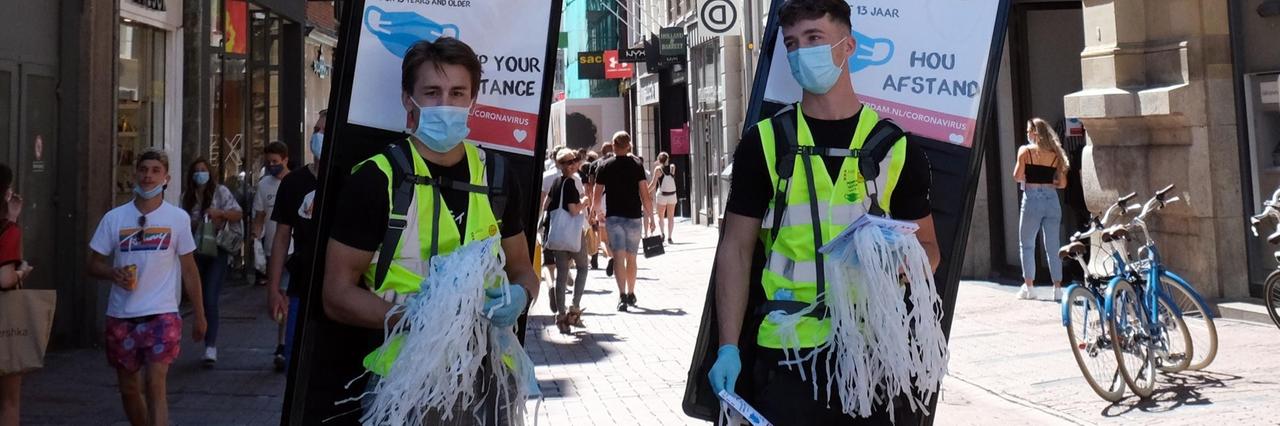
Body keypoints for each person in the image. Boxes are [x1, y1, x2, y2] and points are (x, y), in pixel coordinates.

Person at [705, 1, 940, 424]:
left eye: (814, 38)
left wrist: (907, 262)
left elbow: (929, 249)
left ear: (847, 46)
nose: (800, 53)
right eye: (792, 44)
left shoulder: (897, 148)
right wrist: (727, 346)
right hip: (786, 353)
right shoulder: (765, 143)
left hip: (872, 353)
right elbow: (736, 249)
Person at [322, 37, 537, 422]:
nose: (446, 105)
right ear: (409, 99)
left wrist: (521, 295)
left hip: (489, 380)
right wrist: (411, 315)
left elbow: (522, 268)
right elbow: (336, 294)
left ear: (474, 99)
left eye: (458, 93)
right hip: (405, 381)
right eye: (432, 93)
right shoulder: (376, 179)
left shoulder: (498, 175)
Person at [87, 148, 207, 426]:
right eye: (143, 170)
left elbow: (189, 269)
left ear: (166, 178)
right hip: (121, 315)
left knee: (155, 383)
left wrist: (200, 315)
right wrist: (111, 272)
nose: (148, 176)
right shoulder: (114, 218)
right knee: (129, 389)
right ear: (134, 174)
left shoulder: (177, 219)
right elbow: (92, 265)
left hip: (162, 313)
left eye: (155, 171)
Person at [269, 110, 326, 370]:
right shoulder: (293, 183)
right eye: (316, 130)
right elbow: (281, 238)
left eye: (325, 130)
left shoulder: (354, 178)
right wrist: (273, 289)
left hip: (342, 289)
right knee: (296, 362)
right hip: (301, 286)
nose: (319, 135)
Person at [181, 158, 243, 367]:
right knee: (197, 297)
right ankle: (203, 334)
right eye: (196, 171)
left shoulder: (221, 192)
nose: (200, 174)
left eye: (203, 170)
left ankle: (211, 345)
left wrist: (219, 214)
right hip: (195, 252)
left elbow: (238, 213)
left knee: (210, 297)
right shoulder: (187, 197)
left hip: (217, 250)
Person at [590, 131, 653, 312]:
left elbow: (597, 192)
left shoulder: (605, 165)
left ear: (613, 145)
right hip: (634, 216)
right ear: (629, 146)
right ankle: (632, 292)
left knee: (618, 256)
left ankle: (622, 295)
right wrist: (650, 216)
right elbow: (644, 193)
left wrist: (598, 212)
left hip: (614, 217)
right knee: (632, 257)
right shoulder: (636, 164)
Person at [1013, 117, 1070, 301]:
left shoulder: (1025, 151)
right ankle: (1057, 288)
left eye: (1029, 131)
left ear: (1035, 133)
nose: (1027, 134)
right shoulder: (1055, 154)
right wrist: (1049, 181)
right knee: (1053, 245)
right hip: (1051, 199)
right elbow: (1062, 183)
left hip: (1032, 198)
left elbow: (1017, 176)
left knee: (1027, 243)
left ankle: (1029, 287)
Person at [0, 164, 34, 426]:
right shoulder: (8, 232)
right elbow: (5, 278)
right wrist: (22, 271)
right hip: (5, 319)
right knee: (9, 401)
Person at [254, 141, 293, 370]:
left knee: (286, 298)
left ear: (285, 160)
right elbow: (259, 216)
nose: (272, 166)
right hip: (272, 251)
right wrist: (255, 237)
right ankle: (282, 343)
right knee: (279, 299)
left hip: (293, 251)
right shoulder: (263, 186)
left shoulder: (294, 183)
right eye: (268, 163)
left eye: (276, 163)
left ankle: (282, 344)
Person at [545, 150, 589, 334]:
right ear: (562, 165)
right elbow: (573, 210)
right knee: (582, 267)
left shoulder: (556, 182)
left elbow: (546, 205)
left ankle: (561, 317)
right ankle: (574, 309)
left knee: (561, 274)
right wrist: (584, 202)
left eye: (574, 161)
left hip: (557, 235)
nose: (572, 164)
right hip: (572, 234)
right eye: (568, 162)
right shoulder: (570, 183)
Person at [649, 152, 678, 244]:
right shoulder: (672, 167)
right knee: (671, 217)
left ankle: (662, 234)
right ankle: (670, 237)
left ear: (659, 159)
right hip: (672, 195)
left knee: (660, 216)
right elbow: (670, 171)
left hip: (662, 195)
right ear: (668, 159)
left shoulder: (658, 169)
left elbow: (653, 184)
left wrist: (645, 192)